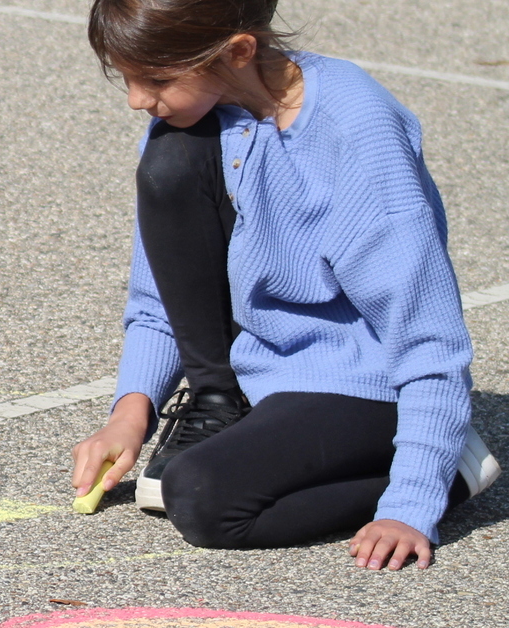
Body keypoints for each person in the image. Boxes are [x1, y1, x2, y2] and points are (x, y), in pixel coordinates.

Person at [68, 0, 500, 572]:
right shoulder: (201, 116)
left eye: (155, 79)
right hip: (266, 367)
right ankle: (221, 403)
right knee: (170, 160)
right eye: (126, 78)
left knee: (203, 499)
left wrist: (412, 502)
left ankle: (450, 466)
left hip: (366, 379)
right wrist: (131, 411)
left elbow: (428, 336)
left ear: (238, 51)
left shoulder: (356, 130)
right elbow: (161, 295)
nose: (136, 99)